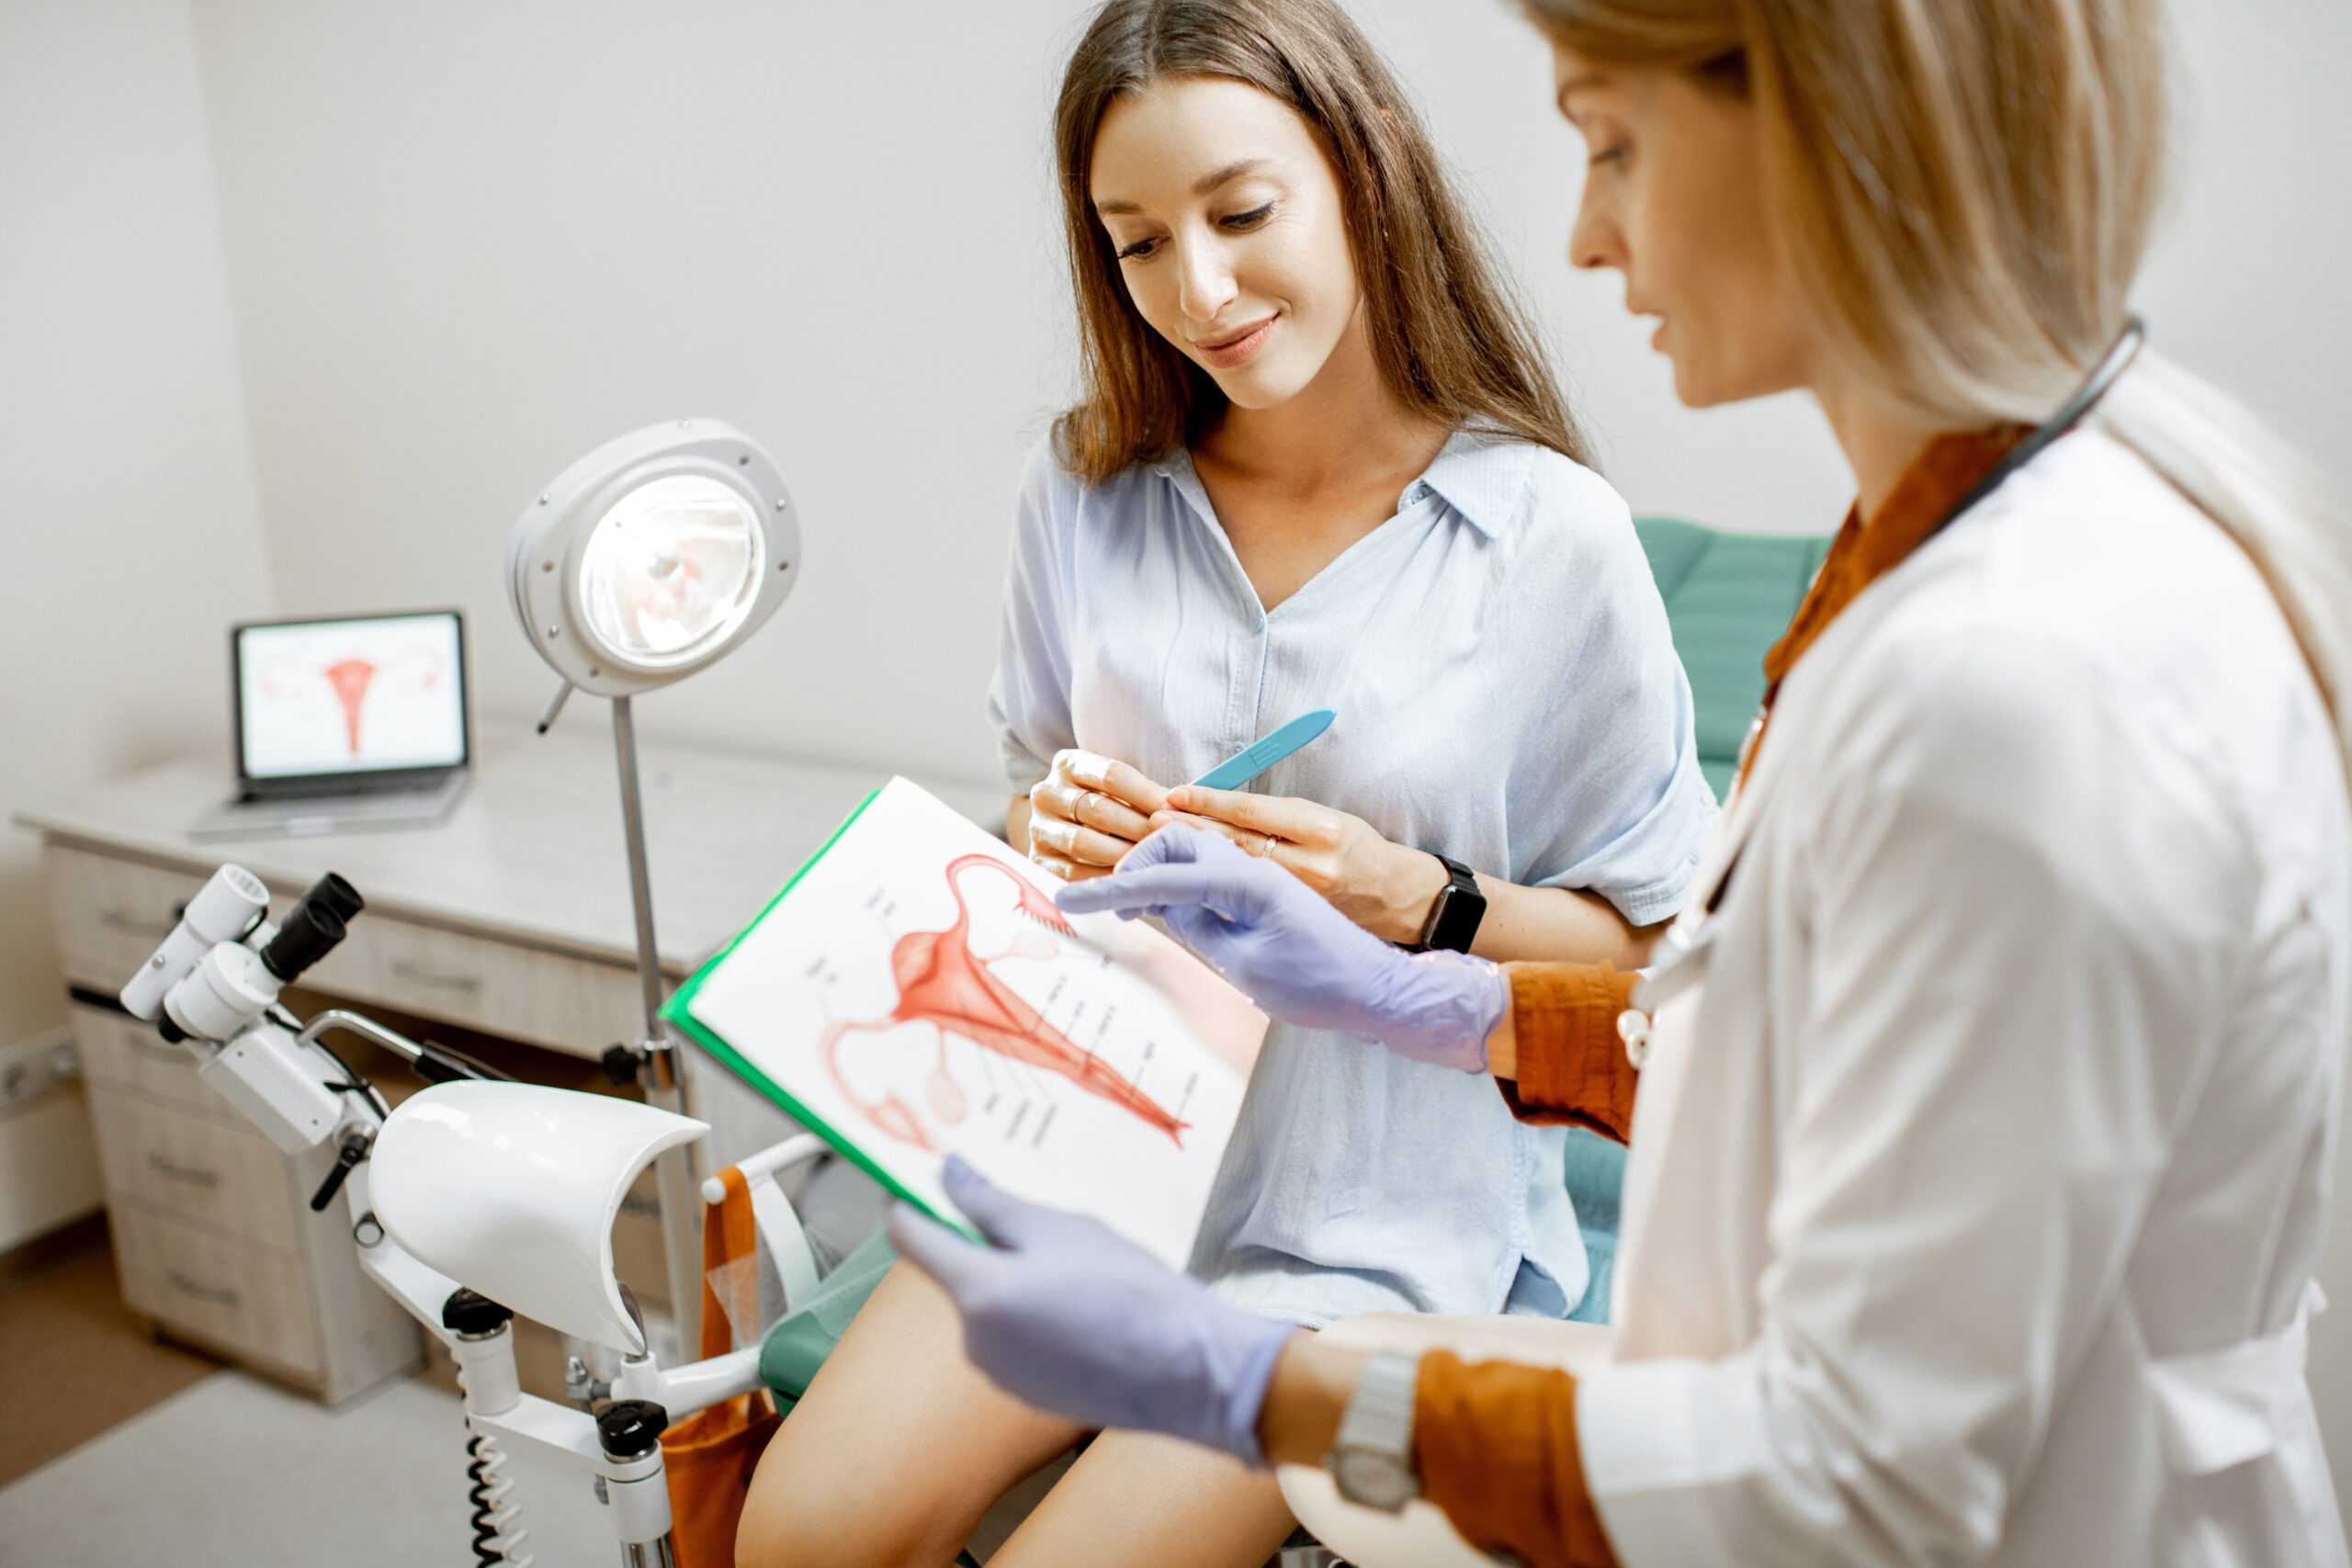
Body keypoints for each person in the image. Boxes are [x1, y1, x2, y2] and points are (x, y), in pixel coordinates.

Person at [888, 0, 2352, 1563]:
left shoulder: (2014, 684)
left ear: (1832, 137)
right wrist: (1434, 1002)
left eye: (1613, 143)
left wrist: (1254, 1388)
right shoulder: (1939, 555)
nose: (1584, 236)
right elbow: (1788, 1043)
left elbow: (1850, 1481)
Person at [735, 1, 1714, 1562]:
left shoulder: (1549, 539)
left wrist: (1421, 902)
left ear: (1362, 176)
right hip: (1094, 1158)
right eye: (1135, 243)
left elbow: (1665, 956)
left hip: (1365, 1225)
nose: (1198, 291)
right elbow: (1024, 791)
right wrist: (1050, 824)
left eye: (1243, 212)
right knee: (796, 1536)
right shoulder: (1080, 487)